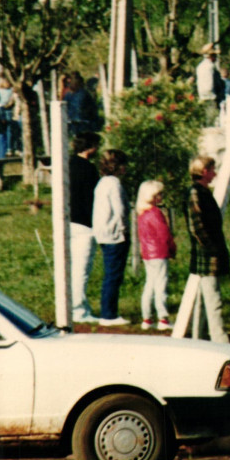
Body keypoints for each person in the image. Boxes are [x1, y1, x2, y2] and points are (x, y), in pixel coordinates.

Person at [185, 154, 230, 342]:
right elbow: (196, 227)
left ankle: (199, 338)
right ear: (204, 172)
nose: (215, 173)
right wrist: (211, 248)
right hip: (207, 255)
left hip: (210, 253)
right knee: (214, 302)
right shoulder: (195, 193)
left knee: (204, 302)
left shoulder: (202, 192)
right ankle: (220, 341)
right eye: (212, 170)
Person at [91, 149, 131, 326]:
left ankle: (108, 311)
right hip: (115, 234)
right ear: (117, 166)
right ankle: (108, 314)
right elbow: (120, 209)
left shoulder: (101, 183)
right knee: (114, 275)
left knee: (111, 273)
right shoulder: (114, 184)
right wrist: (124, 229)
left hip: (102, 233)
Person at [68, 131, 102, 323]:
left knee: (72, 267)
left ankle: (77, 305)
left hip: (68, 221)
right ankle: (79, 310)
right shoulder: (89, 169)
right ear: (90, 148)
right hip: (85, 223)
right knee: (81, 270)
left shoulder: (68, 165)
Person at [135, 179, 175, 331]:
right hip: (159, 253)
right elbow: (164, 234)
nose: (161, 197)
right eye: (159, 194)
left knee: (149, 285)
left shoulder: (142, 213)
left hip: (147, 254)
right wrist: (172, 248)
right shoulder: (156, 213)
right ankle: (163, 319)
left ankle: (146, 318)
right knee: (161, 286)